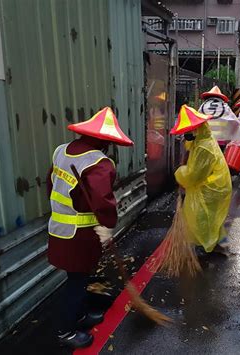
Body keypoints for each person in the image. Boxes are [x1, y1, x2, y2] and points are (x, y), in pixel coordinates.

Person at [46, 107, 134, 349]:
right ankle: (66, 331)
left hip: (58, 230)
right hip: (79, 236)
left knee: (77, 278)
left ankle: (81, 316)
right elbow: (103, 202)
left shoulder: (61, 151)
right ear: (104, 140)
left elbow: (49, 185)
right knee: (76, 282)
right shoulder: (99, 163)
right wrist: (107, 225)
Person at [170, 105, 232, 255]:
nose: (187, 134)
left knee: (200, 216)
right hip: (216, 183)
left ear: (198, 128)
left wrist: (179, 173)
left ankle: (204, 245)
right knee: (211, 217)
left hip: (212, 186)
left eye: (189, 131)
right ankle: (221, 243)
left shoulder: (204, 147)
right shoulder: (202, 139)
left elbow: (193, 175)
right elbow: (192, 152)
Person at [199, 86, 240, 151]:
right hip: (220, 141)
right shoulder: (224, 107)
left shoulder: (202, 107)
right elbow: (235, 122)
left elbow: (197, 121)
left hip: (205, 140)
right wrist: (230, 136)